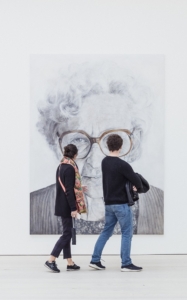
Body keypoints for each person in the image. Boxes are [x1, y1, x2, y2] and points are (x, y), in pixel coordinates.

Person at [30, 62, 164, 235]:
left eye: (112, 139)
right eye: (78, 139)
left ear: (134, 142)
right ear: (58, 145)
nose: (95, 162)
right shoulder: (32, 207)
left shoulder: (162, 204)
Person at [89, 134, 143, 272]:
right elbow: (138, 182)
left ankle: (95, 260)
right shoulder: (123, 165)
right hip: (121, 205)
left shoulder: (104, 162)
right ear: (121, 146)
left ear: (107, 146)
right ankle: (126, 263)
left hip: (108, 204)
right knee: (126, 233)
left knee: (106, 232)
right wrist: (136, 187)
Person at [45, 144, 86, 272]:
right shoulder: (69, 168)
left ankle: (69, 262)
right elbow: (68, 190)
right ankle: (51, 259)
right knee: (67, 234)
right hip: (67, 205)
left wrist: (79, 189)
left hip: (62, 203)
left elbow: (68, 186)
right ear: (75, 155)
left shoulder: (61, 165)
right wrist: (73, 208)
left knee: (67, 232)